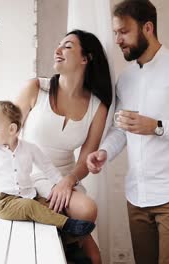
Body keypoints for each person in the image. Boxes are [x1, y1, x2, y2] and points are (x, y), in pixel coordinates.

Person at [86, 1, 169, 263]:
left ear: (147, 27)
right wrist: (104, 152)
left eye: (123, 32)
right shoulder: (125, 79)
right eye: (115, 33)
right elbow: (121, 129)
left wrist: (158, 127)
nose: (117, 40)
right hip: (136, 195)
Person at [16, 30, 112, 264]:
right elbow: (5, 136)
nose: (57, 51)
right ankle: (58, 225)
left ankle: (58, 224)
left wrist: (67, 182)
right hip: (29, 175)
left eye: (67, 46)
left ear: (85, 58)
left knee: (90, 222)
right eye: (58, 45)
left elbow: (85, 160)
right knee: (90, 242)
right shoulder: (35, 88)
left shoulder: (97, 106)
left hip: (64, 178)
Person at [0, 101, 96, 236]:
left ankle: (70, 244)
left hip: (30, 195)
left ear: (12, 129)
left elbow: (48, 168)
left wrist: (61, 184)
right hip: (4, 202)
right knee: (30, 207)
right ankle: (68, 225)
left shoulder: (29, 148)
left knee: (52, 207)